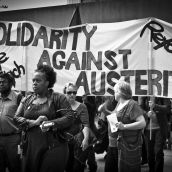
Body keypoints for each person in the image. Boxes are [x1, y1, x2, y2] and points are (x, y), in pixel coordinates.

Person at [14, 65, 75, 172]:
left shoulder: (59, 98)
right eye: (33, 80)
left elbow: (70, 117)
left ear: (47, 82)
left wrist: (49, 124)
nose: (34, 83)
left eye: (38, 80)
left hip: (54, 147)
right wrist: (35, 122)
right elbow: (16, 118)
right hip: (30, 147)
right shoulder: (27, 99)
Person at [114, 80, 146, 172]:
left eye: (115, 91)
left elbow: (142, 123)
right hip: (122, 142)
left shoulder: (132, 104)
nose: (114, 94)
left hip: (131, 144)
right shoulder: (119, 104)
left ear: (120, 92)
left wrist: (124, 127)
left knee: (130, 168)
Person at [64, 83, 90, 172]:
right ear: (64, 93)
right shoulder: (59, 105)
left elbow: (86, 124)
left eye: (74, 92)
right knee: (66, 166)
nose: (72, 94)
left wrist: (86, 139)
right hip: (62, 142)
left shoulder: (82, 106)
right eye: (69, 92)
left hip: (77, 142)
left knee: (77, 167)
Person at [0, 72, 23, 172]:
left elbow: (24, 118)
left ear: (10, 83)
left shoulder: (18, 97)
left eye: (3, 82)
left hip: (13, 139)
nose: (1, 84)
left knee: (14, 166)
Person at [143, 97, 170, 172]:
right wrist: (146, 114)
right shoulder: (144, 95)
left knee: (158, 152)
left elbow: (168, 108)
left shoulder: (163, 94)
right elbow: (140, 108)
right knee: (149, 153)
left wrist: (155, 106)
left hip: (160, 128)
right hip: (148, 129)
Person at [97, 96, 118, 172]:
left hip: (117, 144)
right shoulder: (110, 100)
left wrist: (105, 110)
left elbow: (115, 125)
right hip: (112, 144)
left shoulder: (121, 103)